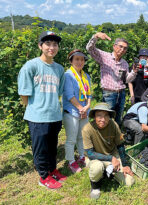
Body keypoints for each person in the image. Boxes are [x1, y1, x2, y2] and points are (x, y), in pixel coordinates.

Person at [17, 31, 67, 189]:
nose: (52, 47)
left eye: (55, 44)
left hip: (54, 115)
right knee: (40, 149)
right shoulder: (31, 66)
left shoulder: (59, 69)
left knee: (52, 146)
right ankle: (43, 176)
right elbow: (24, 94)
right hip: (38, 117)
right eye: (48, 44)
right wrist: (35, 110)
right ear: (40, 46)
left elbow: (58, 92)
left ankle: (52, 169)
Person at [82, 103, 135, 199]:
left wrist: (125, 164)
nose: (103, 119)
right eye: (99, 115)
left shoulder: (113, 125)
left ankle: (109, 172)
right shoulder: (87, 129)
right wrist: (111, 158)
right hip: (96, 157)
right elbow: (90, 153)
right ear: (94, 116)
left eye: (106, 115)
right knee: (97, 167)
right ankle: (95, 186)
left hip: (112, 154)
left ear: (110, 117)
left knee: (129, 182)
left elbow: (120, 144)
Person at [86, 32, 138, 125]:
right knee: (106, 120)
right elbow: (89, 48)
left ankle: (116, 138)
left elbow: (126, 80)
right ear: (114, 46)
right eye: (120, 46)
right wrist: (95, 36)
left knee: (118, 120)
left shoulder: (124, 63)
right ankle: (105, 139)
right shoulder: (104, 56)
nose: (122, 49)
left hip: (121, 94)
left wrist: (134, 72)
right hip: (109, 94)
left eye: (125, 48)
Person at [63, 49, 92, 173]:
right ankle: (71, 162)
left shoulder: (86, 76)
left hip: (84, 111)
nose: (80, 62)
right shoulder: (68, 75)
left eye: (82, 59)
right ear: (71, 61)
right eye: (77, 59)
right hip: (72, 112)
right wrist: (81, 109)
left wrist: (87, 106)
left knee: (81, 136)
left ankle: (81, 156)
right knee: (71, 139)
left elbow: (89, 94)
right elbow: (69, 95)